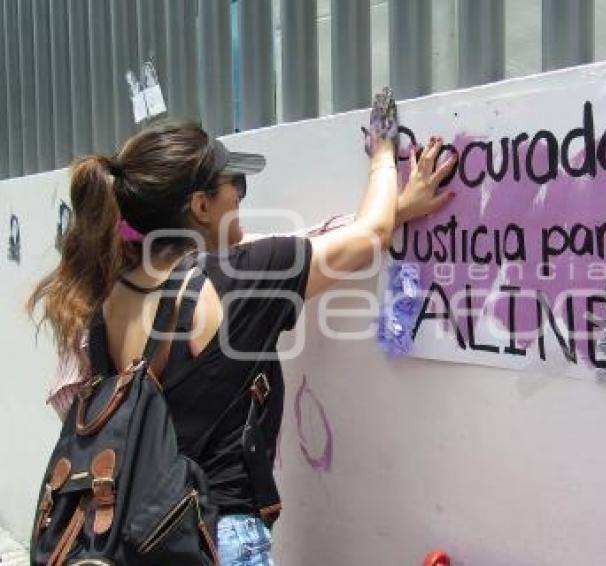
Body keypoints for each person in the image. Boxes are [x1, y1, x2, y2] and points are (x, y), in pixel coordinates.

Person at [27, 89, 456, 564]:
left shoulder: (105, 301)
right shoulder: (243, 277)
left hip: (141, 538)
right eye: (237, 186)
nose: (240, 198)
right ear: (201, 206)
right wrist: (382, 153)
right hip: (217, 538)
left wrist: (400, 206)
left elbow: (318, 239)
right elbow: (368, 235)